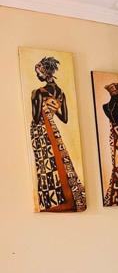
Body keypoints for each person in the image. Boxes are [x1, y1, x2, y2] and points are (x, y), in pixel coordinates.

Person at [30, 56, 86, 212]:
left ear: (45, 73)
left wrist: (33, 100)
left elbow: (36, 117)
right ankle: (62, 197)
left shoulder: (38, 92)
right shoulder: (61, 93)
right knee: (55, 161)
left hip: (40, 131)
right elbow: (64, 118)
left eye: (38, 72)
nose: (37, 75)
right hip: (53, 130)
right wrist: (52, 109)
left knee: (45, 164)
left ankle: (51, 201)